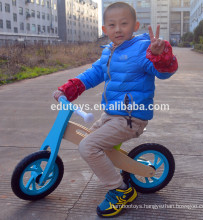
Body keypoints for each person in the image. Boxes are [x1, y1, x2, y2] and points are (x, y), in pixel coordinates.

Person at [54, 2, 178, 218]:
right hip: (113, 115)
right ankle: (117, 170)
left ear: (135, 25)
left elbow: (164, 72)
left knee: (88, 146)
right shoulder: (108, 52)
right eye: (112, 25)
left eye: (124, 23)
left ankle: (121, 190)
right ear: (105, 30)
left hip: (131, 117)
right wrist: (68, 89)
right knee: (91, 139)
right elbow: (93, 75)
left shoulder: (143, 49)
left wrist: (161, 55)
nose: (118, 29)